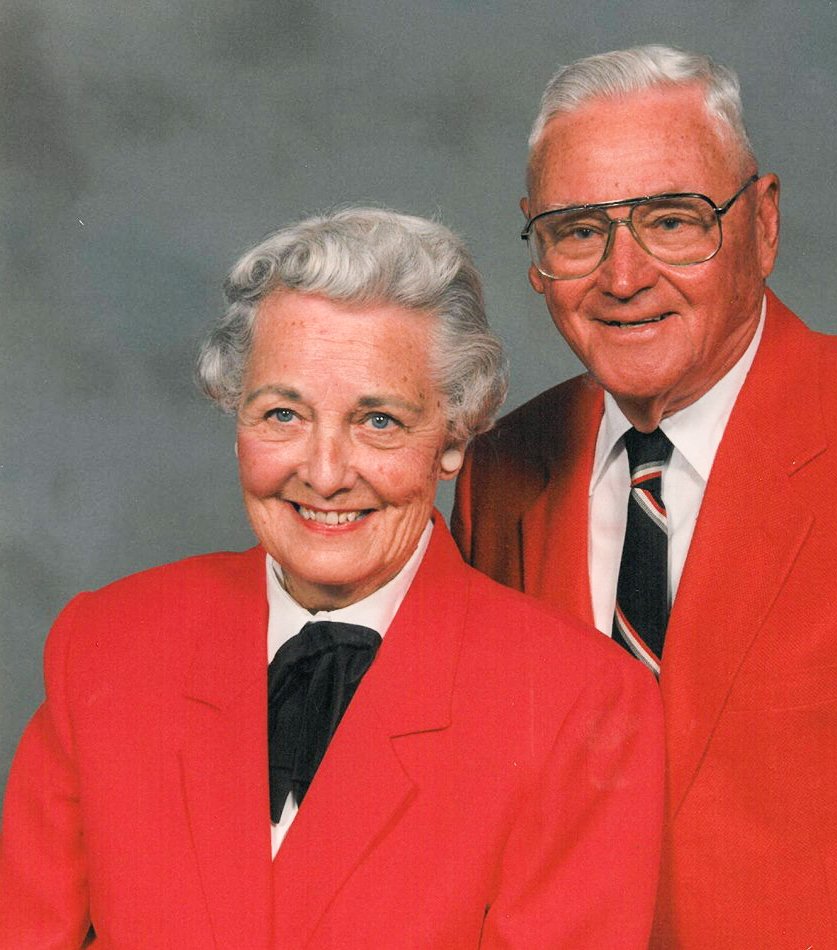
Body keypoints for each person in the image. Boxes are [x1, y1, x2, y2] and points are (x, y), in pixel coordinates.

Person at [0, 209, 664, 948]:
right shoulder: (105, 646)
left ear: (453, 439)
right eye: (283, 414)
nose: (323, 474)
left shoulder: (580, 704)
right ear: (235, 417)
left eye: (378, 421)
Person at [453, 45, 837, 947]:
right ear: (537, 251)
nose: (623, 277)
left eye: (672, 221)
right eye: (578, 231)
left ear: (762, 223)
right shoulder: (500, 472)